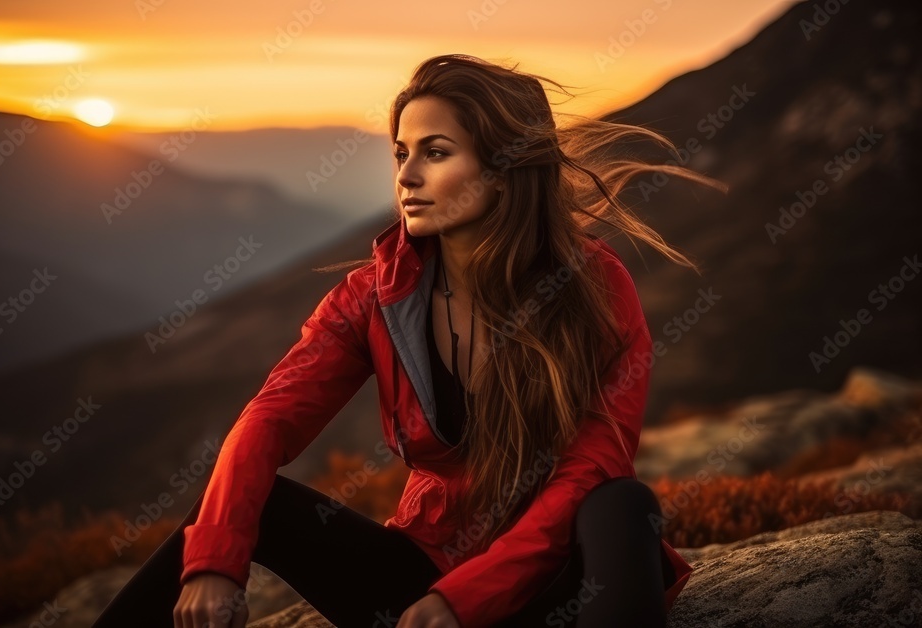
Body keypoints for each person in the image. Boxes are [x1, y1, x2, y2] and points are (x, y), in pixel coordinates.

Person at [93, 53, 726, 628]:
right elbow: (268, 422)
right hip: (421, 585)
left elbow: (590, 468)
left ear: (504, 170)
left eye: (437, 152)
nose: (408, 176)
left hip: (552, 585)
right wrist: (214, 561)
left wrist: (465, 600)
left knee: (619, 504)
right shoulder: (374, 295)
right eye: (401, 153)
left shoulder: (592, 286)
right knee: (250, 507)